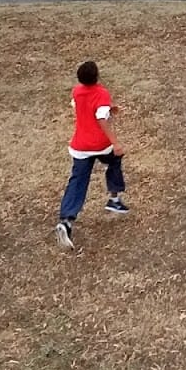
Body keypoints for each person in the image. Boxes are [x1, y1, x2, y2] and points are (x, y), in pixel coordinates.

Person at [55, 60, 128, 250]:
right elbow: (101, 119)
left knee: (77, 181)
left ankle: (66, 221)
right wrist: (115, 142)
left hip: (80, 146)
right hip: (100, 144)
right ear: (97, 77)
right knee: (114, 160)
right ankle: (114, 199)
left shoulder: (77, 91)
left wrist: (108, 108)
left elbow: (82, 107)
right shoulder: (101, 93)